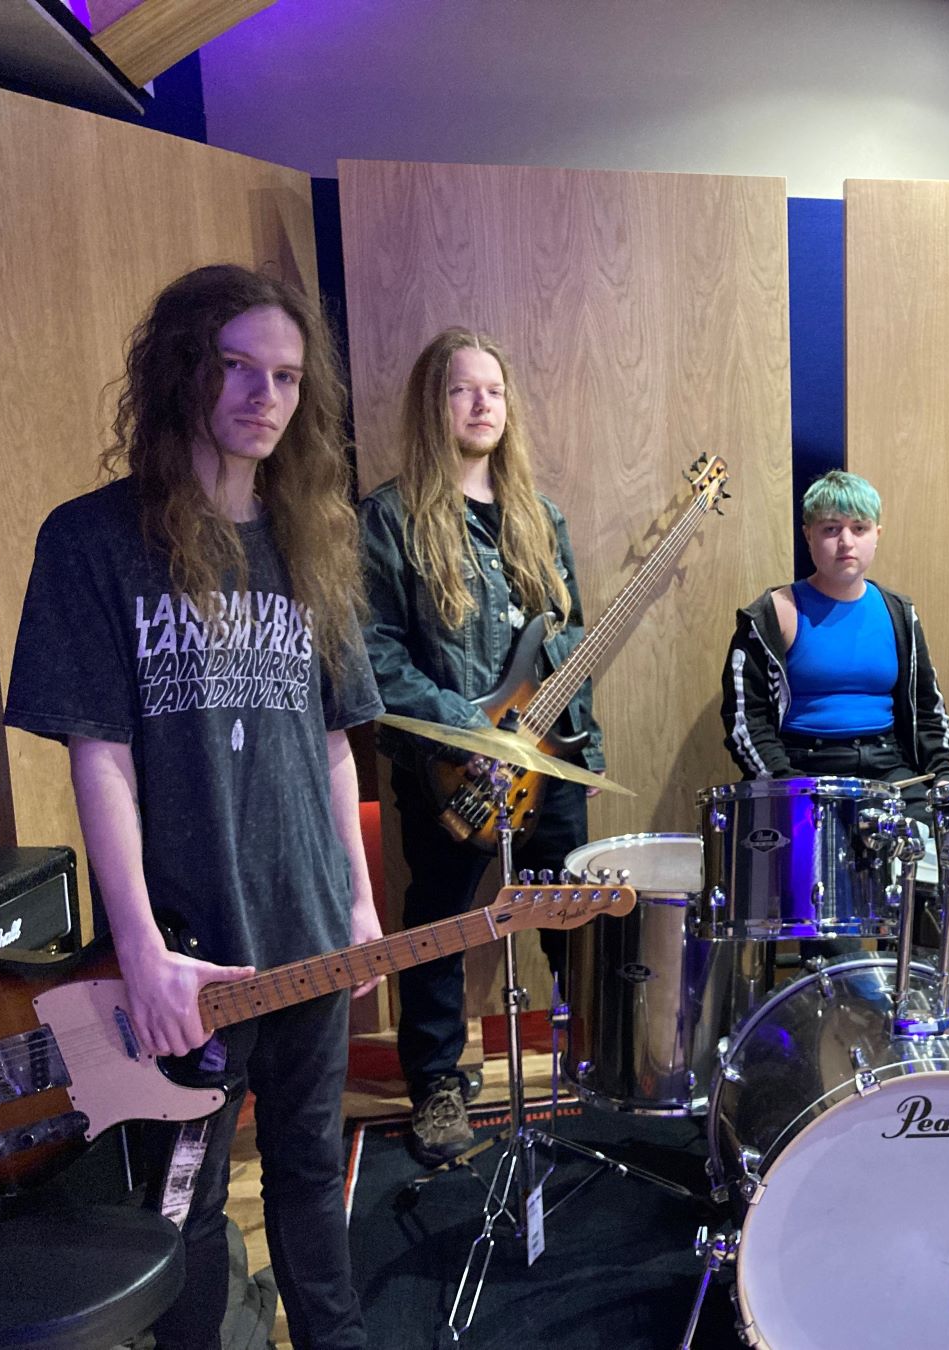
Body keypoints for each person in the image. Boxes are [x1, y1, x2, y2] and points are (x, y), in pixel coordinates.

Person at [3, 264, 382, 1348]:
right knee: (191, 1207)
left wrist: (357, 912)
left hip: (309, 935)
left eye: (286, 377)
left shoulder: (317, 538)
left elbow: (332, 743)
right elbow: (100, 757)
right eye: (236, 369)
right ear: (182, 374)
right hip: (187, 953)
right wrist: (141, 954)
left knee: (312, 1181)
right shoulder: (93, 542)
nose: (265, 397)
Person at [359, 329, 603, 1166]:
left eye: (493, 390)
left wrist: (587, 753)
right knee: (439, 920)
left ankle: (594, 1058)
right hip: (449, 766)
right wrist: (468, 728)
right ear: (435, 405)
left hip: (548, 759)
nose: (481, 404)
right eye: (462, 390)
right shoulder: (390, 520)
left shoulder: (543, 519)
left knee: (574, 910)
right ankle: (435, 1086)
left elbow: (567, 649)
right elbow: (374, 654)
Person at [718, 471, 949, 1009]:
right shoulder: (772, 614)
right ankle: (853, 1019)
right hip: (808, 777)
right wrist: (790, 792)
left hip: (892, 770)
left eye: (858, 527)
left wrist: (945, 776)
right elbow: (744, 720)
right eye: (830, 528)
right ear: (809, 536)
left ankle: (941, 1014)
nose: (845, 541)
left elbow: (928, 712)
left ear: (877, 534)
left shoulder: (899, 613)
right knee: (837, 907)